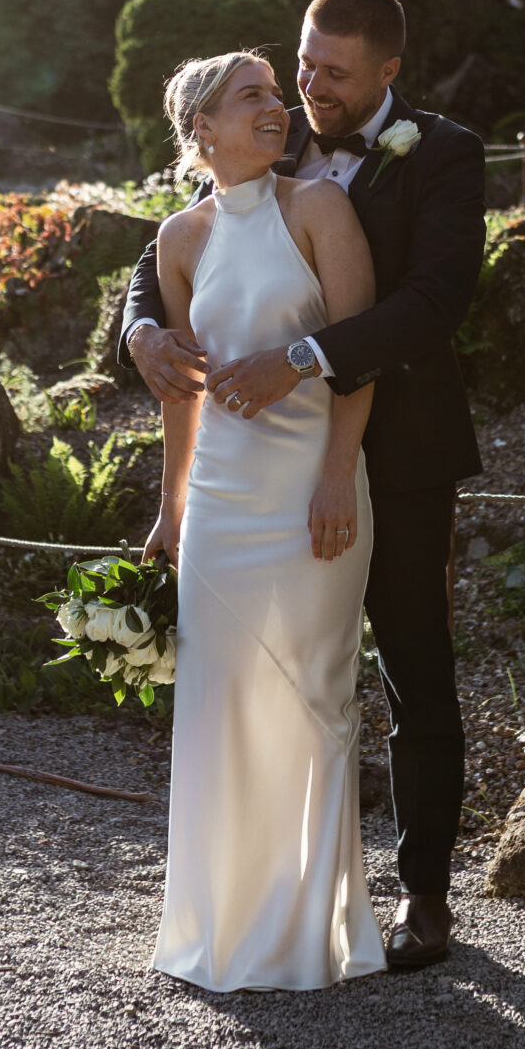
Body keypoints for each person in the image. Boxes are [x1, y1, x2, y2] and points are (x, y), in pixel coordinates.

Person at [122, 0, 486, 974]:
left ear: (386, 71)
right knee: (254, 681)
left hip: (394, 455)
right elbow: (160, 263)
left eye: (330, 72)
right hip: (254, 476)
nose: (310, 87)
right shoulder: (261, 166)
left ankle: (423, 896)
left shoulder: (442, 153)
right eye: (300, 65)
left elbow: (432, 302)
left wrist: (299, 362)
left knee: (409, 666)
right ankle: (255, 897)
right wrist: (139, 328)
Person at [140, 49, 385, 991]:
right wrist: (170, 507)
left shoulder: (319, 207)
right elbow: (181, 392)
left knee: (316, 695)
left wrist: (337, 474)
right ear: (201, 128)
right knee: (219, 705)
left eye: (275, 95)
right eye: (252, 97)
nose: (277, 106)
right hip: (221, 506)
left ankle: (310, 930)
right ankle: (225, 918)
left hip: (312, 486)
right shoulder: (177, 240)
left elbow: (359, 356)